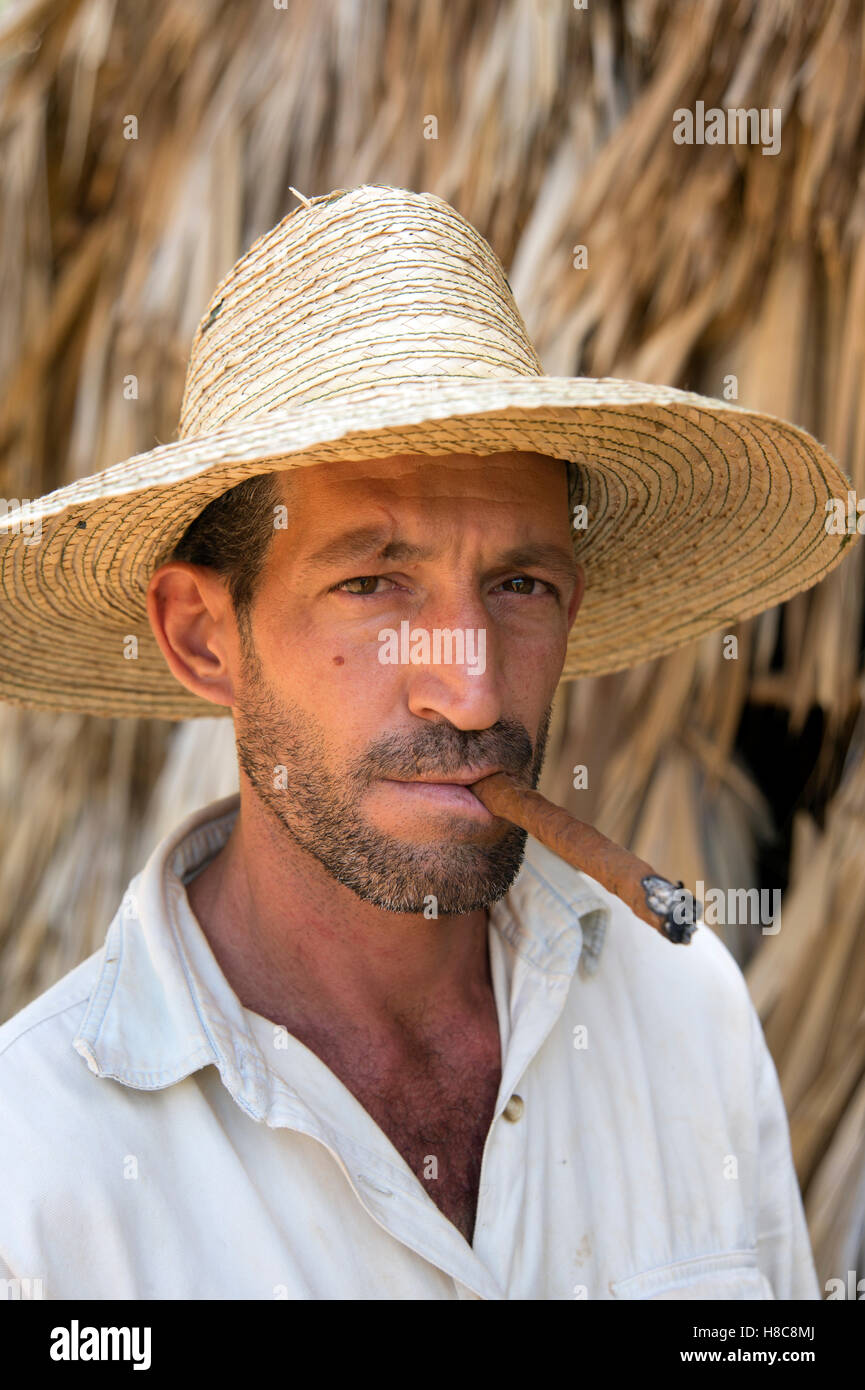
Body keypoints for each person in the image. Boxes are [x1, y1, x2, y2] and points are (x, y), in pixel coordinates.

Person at [0, 184, 854, 1300]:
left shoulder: (680, 1014)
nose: (472, 684)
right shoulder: (41, 1173)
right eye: (372, 582)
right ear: (204, 637)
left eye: (519, 583)